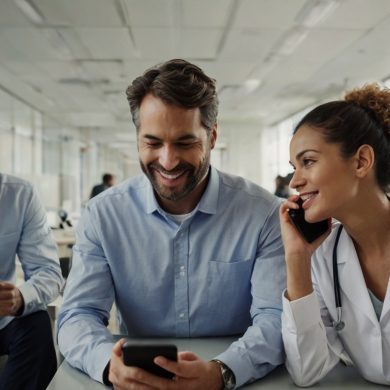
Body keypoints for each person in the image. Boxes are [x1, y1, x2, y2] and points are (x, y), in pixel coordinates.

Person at [58, 59, 286, 389]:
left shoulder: (262, 213)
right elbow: (77, 314)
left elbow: (275, 317)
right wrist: (108, 364)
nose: (167, 161)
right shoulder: (103, 215)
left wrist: (222, 371)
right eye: (153, 143)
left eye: (184, 142)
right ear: (137, 137)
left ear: (212, 135)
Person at [279, 83, 390, 386]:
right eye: (294, 167)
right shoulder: (322, 256)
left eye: (308, 161)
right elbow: (308, 371)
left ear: (361, 161)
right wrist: (297, 259)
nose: (295, 182)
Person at [0, 174, 64, 390]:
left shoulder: (19, 194)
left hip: (4, 320)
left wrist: (19, 298)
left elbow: (49, 272)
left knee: (36, 321)